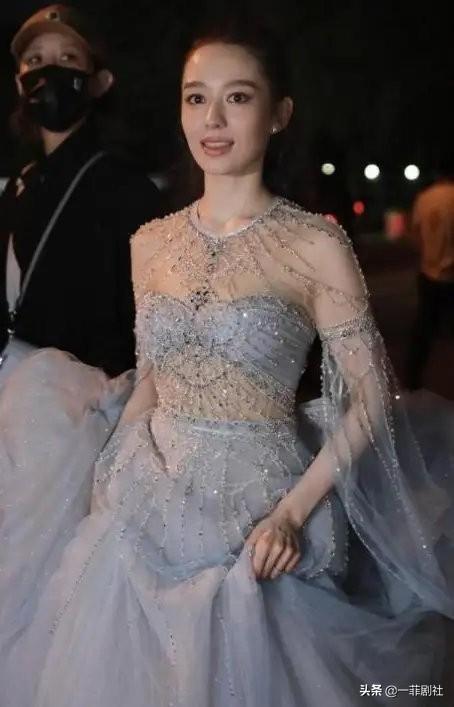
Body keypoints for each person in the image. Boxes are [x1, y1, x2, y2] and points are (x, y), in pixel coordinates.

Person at [1, 18, 454, 707]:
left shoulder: (315, 246)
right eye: (196, 98)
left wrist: (292, 515)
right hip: (141, 504)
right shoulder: (150, 243)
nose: (212, 119)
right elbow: (152, 378)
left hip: (262, 511)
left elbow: (369, 400)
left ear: (279, 114)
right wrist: (109, 478)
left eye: (237, 97)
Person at [0, 4, 163, 379]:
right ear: (19, 83)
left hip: (92, 405)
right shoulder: (18, 190)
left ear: (100, 82)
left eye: (68, 58)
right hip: (16, 400)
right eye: (35, 60)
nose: (48, 71)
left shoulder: (128, 192)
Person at [406, 158, 454, 390]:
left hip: (429, 273)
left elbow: (415, 235)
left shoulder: (424, 199)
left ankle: (412, 379)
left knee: (424, 330)